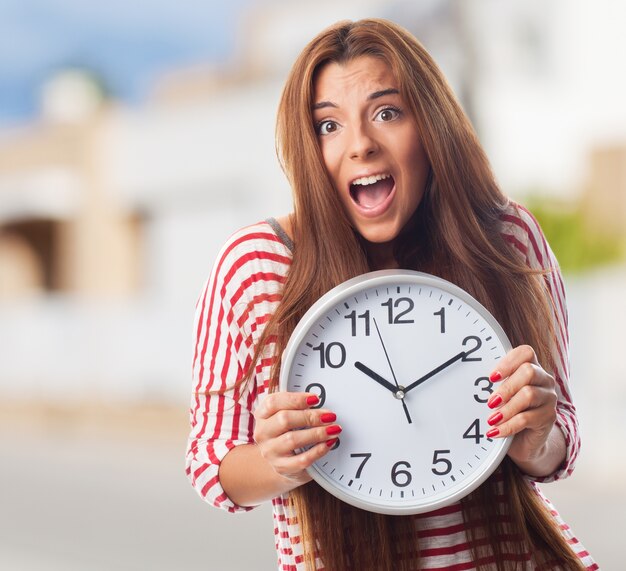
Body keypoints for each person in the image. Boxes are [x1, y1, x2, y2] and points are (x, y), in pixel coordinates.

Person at [186, 18, 597, 571]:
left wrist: (535, 441)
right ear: (307, 146)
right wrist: (279, 462)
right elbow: (212, 464)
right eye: (327, 126)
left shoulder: (506, 239)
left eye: (387, 112)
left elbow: (558, 438)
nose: (359, 145)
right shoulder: (255, 265)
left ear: (430, 126)